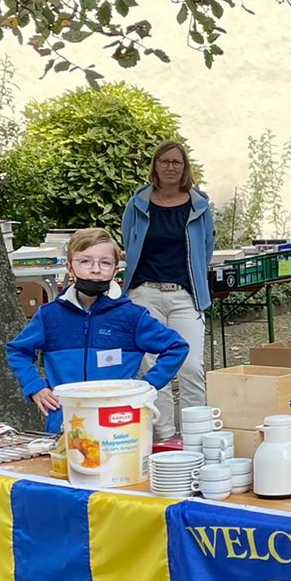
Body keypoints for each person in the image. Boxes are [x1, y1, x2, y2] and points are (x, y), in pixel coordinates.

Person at [8, 227, 191, 435]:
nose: (95, 269)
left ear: (115, 270)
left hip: (117, 423)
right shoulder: (49, 316)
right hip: (65, 423)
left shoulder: (132, 316)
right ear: (69, 268)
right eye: (85, 261)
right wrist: (35, 386)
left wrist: (146, 387)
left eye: (105, 263)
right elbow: (17, 351)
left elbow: (176, 347)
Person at [121, 140, 216, 425]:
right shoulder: (138, 203)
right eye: (164, 161)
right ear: (156, 166)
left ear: (185, 167)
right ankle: (162, 434)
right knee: (153, 367)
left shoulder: (199, 205)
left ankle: (194, 434)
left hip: (185, 295)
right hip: (144, 294)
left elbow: (207, 246)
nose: (170, 167)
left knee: (191, 367)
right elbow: (129, 239)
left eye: (177, 162)